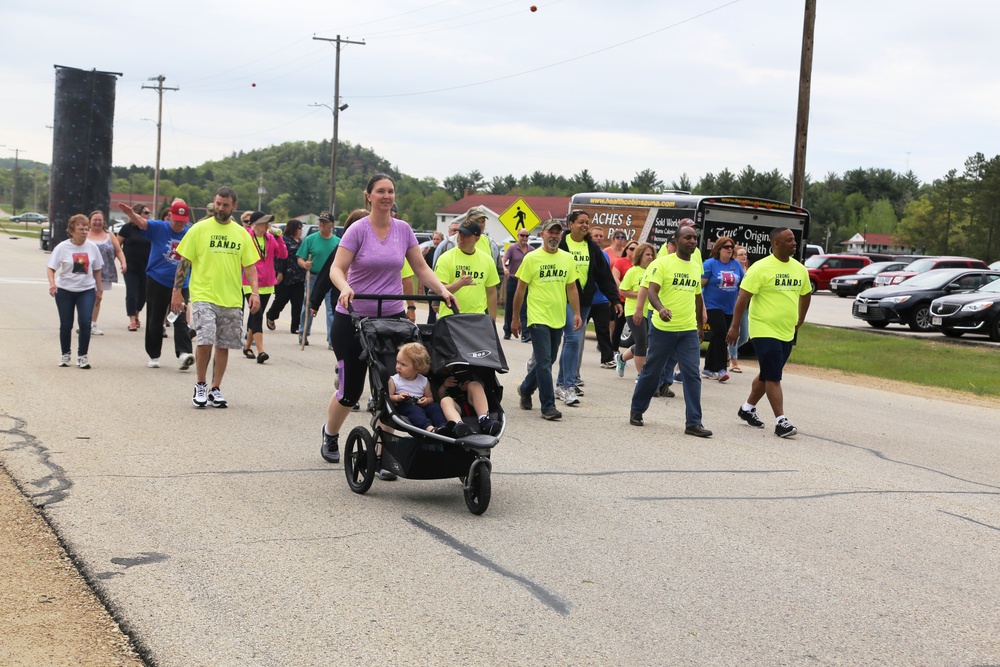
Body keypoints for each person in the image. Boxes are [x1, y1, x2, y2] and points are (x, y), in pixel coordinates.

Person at [322, 174, 456, 476]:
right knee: (350, 389)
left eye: (391, 191)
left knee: (390, 388)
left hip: (392, 320)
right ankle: (330, 433)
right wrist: (344, 287)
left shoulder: (403, 230)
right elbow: (336, 268)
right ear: (368, 196)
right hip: (354, 319)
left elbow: (421, 267)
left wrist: (443, 290)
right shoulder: (357, 230)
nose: (386, 196)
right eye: (380, 191)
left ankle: (384, 453)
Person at [172, 186, 261, 409]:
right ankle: (200, 384)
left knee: (223, 345)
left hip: (231, 298)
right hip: (203, 295)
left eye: (225, 205)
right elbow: (184, 262)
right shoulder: (199, 229)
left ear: (234, 207)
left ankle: (215, 388)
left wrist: (255, 293)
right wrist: (176, 291)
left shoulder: (241, 233)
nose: (220, 209)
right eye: (218, 204)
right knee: (206, 339)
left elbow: (250, 267)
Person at [727, 227, 811, 438]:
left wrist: (800, 319)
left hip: (786, 330)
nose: (794, 243)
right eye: (789, 240)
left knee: (768, 373)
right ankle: (781, 421)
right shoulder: (760, 268)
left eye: (794, 240)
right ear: (776, 244)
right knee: (773, 376)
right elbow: (742, 299)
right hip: (763, 329)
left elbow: (806, 293)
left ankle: (747, 409)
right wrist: (735, 326)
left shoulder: (799, 269)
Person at [629, 226, 712, 437]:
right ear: (676, 241)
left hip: (687, 331)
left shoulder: (695, 266)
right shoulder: (662, 263)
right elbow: (652, 292)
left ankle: (694, 422)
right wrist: (660, 309)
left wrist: (700, 326)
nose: (693, 241)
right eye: (688, 237)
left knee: (692, 374)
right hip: (662, 328)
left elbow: (697, 296)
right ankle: (637, 409)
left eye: (695, 238)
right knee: (652, 371)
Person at [511, 218, 581, 421]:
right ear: (542, 234)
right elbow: (520, 290)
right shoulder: (532, 258)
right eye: (550, 232)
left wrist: (576, 313)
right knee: (544, 362)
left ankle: (525, 388)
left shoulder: (567, 259)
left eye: (558, 233)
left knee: (547, 361)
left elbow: (572, 287)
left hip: (558, 317)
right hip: (537, 317)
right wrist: (515, 318)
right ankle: (548, 405)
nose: (554, 236)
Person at [117, 200, 195, 370]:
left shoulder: (190, 234)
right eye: (176, 219)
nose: (179, 223)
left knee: (180, 317)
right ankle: (153, 354)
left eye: (183, 220)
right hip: (157, 279)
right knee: (155, 318)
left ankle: (184, 353)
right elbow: (142, 223)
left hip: (181, 282)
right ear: (170, 217)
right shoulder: (159, 227)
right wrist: (130, 213)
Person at [555, 210, 622, 406]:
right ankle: (563, 384)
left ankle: (564, 385)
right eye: (581, 222)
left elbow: (603, 276)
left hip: (584, 301)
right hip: (561, 299)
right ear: (571, 224)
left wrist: (614, 299)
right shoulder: (561, 245)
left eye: (587, 222)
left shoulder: (591, 248)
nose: (585, 225)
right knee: (571, 341)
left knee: (572, 341)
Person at [46, 214, 103, 368]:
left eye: (86, 229)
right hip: (64, 290)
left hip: (86, 290)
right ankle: (65, 355)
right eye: (80, 229)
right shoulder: (62, 247)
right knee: (66, 324)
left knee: (85, 322)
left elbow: (97, 270)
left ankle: (82, 356)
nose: (84, 232)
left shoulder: (92, 247)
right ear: (71, 231)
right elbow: (51, 268)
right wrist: (52, 284)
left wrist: (99, 290)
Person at [389, 342, 468, 434]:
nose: (398, 367)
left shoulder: (423, 381)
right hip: (405, 405)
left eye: (403, 364)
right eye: (397, 362)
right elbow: (389, 397)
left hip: (421, 404)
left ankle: (443, 426)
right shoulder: (394, 380)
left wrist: (426, 400)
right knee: (415, 411)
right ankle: (428, 428)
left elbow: (430, 398)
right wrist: (397, 397)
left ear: (417, 368)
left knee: (435, 407)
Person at [241, 212, 287, 364]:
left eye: (268, 223)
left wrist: (279, 237)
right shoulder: (246, 237)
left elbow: (283, 254)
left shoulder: (270, 239)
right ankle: (261, 351)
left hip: (267, 284)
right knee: (257, 314)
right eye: (264, 223)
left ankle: (247, 346)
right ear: (255, 224)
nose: (267, 225)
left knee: (255, 315)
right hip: (250, 282)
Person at [434, 219, 500, 320]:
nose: (461, 237)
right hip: (451, 317)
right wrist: (460, 283)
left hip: (477, 318)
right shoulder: (446, 258)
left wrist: (492, 320)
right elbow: (439, 290)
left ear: (476, 239)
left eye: (466, 235)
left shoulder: (487, 260)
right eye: (460, 233)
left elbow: (491, 291)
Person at [701, 236, 745, 382]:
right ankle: (721, 369)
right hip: (712, 305)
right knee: (721, 333)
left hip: (730, 307)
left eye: (731, 247)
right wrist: (700, 307)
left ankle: (708, 368)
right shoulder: (710, 264)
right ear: (719, 249)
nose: (729, 249)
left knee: (717, 336)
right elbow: (700, 285)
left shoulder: (736, 265)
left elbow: (743, 285)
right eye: (726, 247)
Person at [296, 211, 339, 348]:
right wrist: (305, 264)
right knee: (308, 305)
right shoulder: (310, 239)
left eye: (325, 222)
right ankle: (303, 333)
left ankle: (332, 339)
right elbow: (300, 258)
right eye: (320, 221)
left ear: (331, 225)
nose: (321, 224)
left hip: (331, 279)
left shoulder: (337, 242)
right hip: (313, 277)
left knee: (331, 309)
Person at [615, 242, 656, 379]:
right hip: (633, 311)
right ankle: (641, 375)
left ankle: (622, 358)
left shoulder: (654, 271)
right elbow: (623, 291)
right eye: (647, 254)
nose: (650, 257)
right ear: (640, 256)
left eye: (652, 254)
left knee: (646, 342)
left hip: (649, 311)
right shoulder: (633, 271)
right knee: (642, 342)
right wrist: (640, 295)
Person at [85, 210, 125, 335]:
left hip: (104, 270)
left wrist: (123, 263)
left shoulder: (109, 235)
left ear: (103, 222)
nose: (97, 222)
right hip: (85, 271)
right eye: (95, 220)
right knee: (86, 297)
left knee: (98, 296)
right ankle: (84, 322)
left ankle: (93, 323)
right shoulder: (84, 234)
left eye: (100, 220)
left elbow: (118, 250)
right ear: (90, 222)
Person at [265, 219, 306, 335]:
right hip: (286, 276)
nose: (301, 230)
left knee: (297, 303)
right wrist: (279, 272)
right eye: (299, 228)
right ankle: (271, 315)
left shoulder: (301, 242)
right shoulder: (284, 240)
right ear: (293, 228)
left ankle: (295, 326)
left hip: (299, 276)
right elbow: (279, 257)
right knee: (281, 300)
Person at [116, 204, 151, 332]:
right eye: (146, 213)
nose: (149, 215)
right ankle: (132, 320)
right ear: (137, 214)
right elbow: (117, 245)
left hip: (146, 267)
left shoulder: (148, 229)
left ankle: (136, 314)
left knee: (143, 295)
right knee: (132, 292)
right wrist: (118, 261)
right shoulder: (127, 228)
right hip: (130, 266)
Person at [502, 229, 534, 340]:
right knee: (510, 305)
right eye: (522, 236)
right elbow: (504, 259)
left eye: (526, 236)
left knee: (525, 306)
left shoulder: (531, 250)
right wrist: (505, 269)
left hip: (525, 282)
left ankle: (525, 332)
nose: (524, 238)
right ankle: (507, 330)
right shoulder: (512, 248)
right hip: (513, 280)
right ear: (518, 236)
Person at [728, 244, 751, 373]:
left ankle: (726, 350)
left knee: (744, 336)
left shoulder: (749, 270)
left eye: (745, 254)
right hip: (734, 306)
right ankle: (734, 362)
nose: (744, 256)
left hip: (746, 307)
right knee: (734, 334)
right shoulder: (734, 271)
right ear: (734, 257)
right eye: (741, 254)